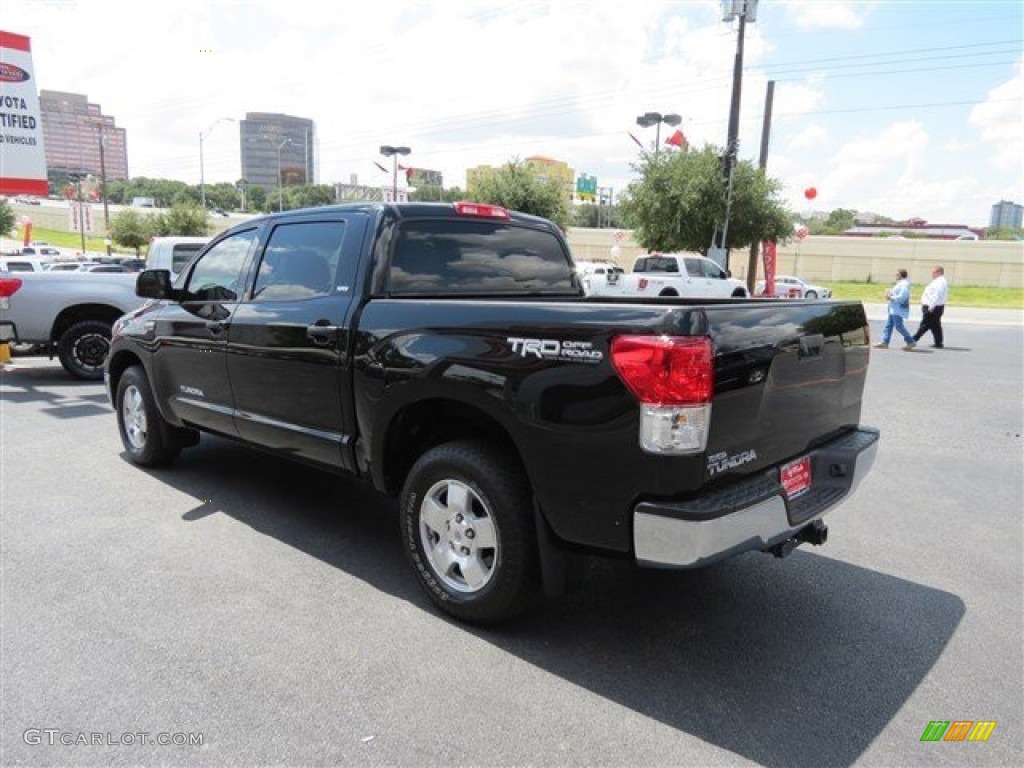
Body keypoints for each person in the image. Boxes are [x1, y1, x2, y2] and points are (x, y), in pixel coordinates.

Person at [875, 269, 916, 350]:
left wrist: (891, 297)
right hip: (894, 308)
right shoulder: (900, 284)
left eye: (897, 274)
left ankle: (910, 341)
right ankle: (885, 342)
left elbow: (902, 297)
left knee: (898, 326)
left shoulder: (904, 284)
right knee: (888, 325)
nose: (896, 276)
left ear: (901, 275)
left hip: (898, 309)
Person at [912, 265, 949, 348]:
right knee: (935, 325)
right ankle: (938, 342)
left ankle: (913, 339)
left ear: (939, 272)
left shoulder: (940, 282)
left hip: (933, 306)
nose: (932, 274)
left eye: (934, 272)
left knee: (925, 324)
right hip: (935, 306)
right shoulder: (938, 281)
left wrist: (932, 306)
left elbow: (937, 294)